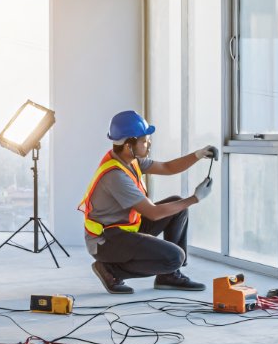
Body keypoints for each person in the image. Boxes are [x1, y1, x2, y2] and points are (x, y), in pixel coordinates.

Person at [78, 110, 217, 294]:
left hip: (125, 228)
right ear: (129, 145)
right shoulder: (116, 176)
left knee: (177, 206)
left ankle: (169, 275)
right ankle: (111, 270)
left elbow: (168, 167)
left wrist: (198, 155)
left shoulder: (130, 160)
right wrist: (195, 199)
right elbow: (153, 213)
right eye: (144, 140)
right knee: (174, 257)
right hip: (107, 241)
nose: (148, 143)